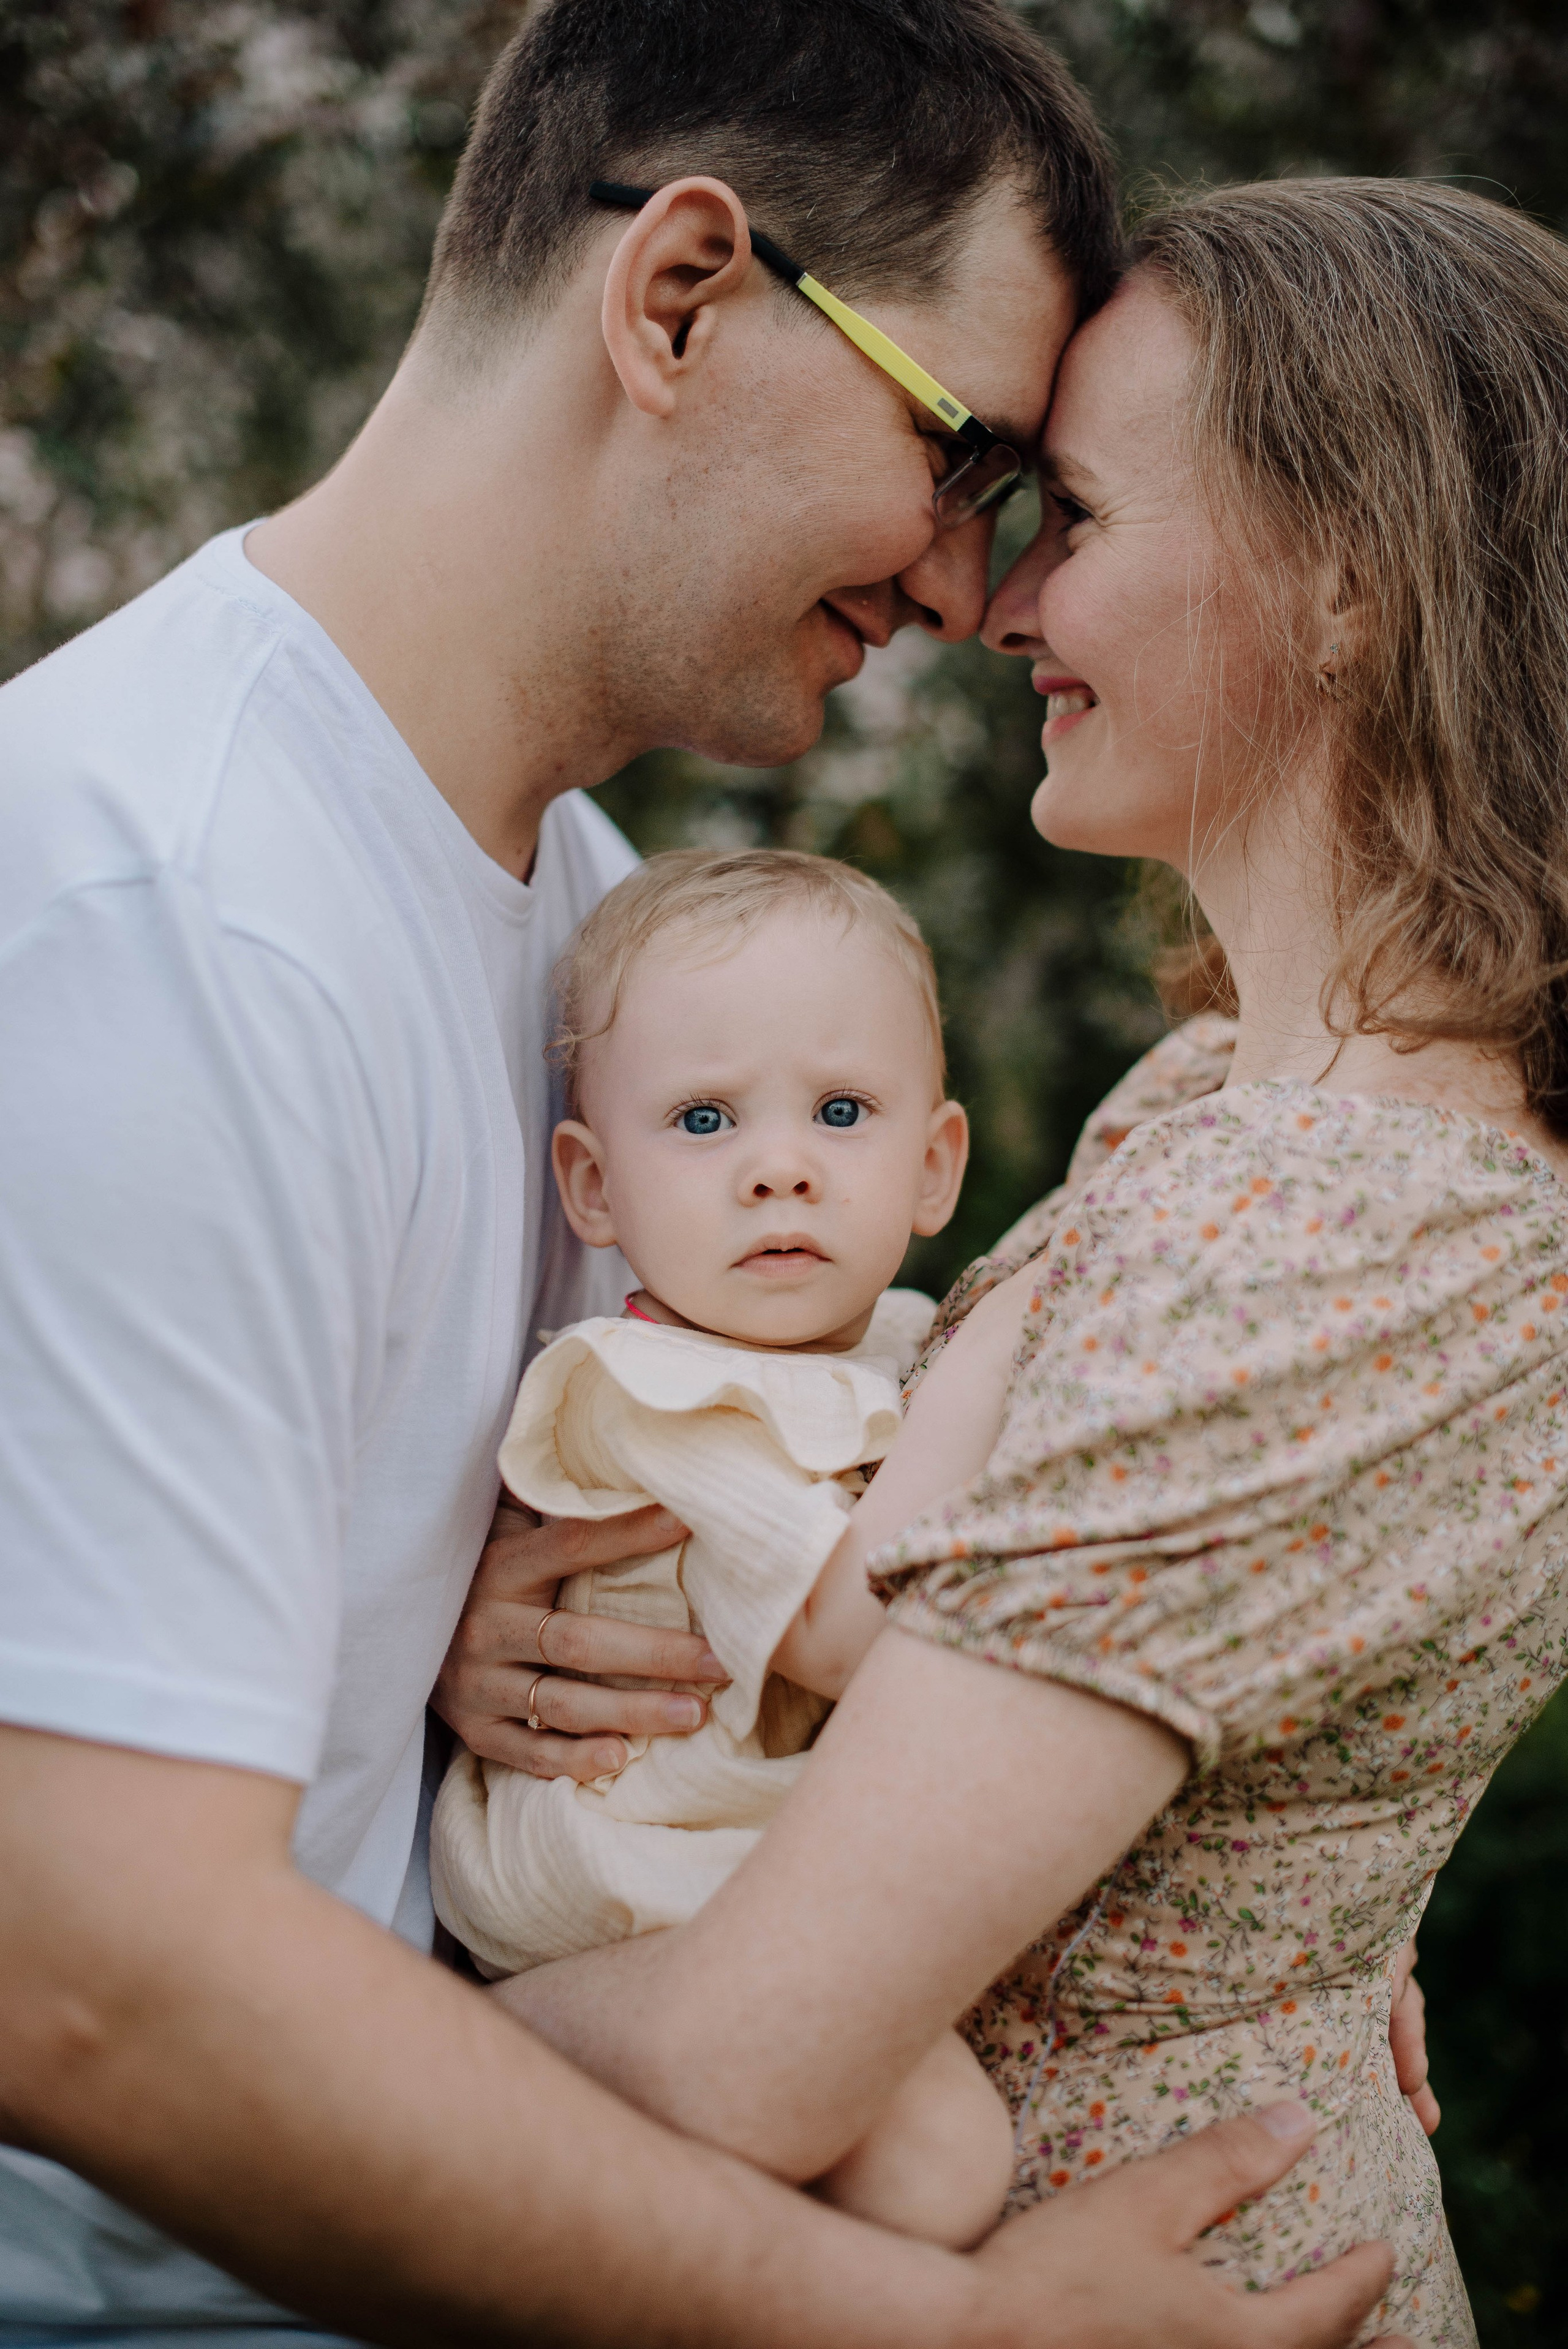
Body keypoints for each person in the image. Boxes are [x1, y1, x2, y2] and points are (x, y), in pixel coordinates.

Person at [0, 0, 1412, 2341]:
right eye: (962, 452)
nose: (968, 587)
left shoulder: (592, 912)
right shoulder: (153, 916)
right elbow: (92, 1983)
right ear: (676, 297)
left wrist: (1247, 1911)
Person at [476, 175, 1568, 2349]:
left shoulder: (1331, 1234)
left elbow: (741, 2063)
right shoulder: (1219, 1095)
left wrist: (257, 2006)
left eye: (1074, 512)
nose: (995, 598)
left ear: (1351, 579)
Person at [432, 847, 1020, 2249]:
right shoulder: (645, 1390)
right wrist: (1009, 1337)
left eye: (840, 1111)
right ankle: (475, 2077)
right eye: (702, 1120)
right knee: (941, 2158)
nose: (778, 1168)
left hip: (759, 1846)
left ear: (933, 1164)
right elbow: (844, 1634)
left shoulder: (896, 1344)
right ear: (594, 1187)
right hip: (627, 1869)